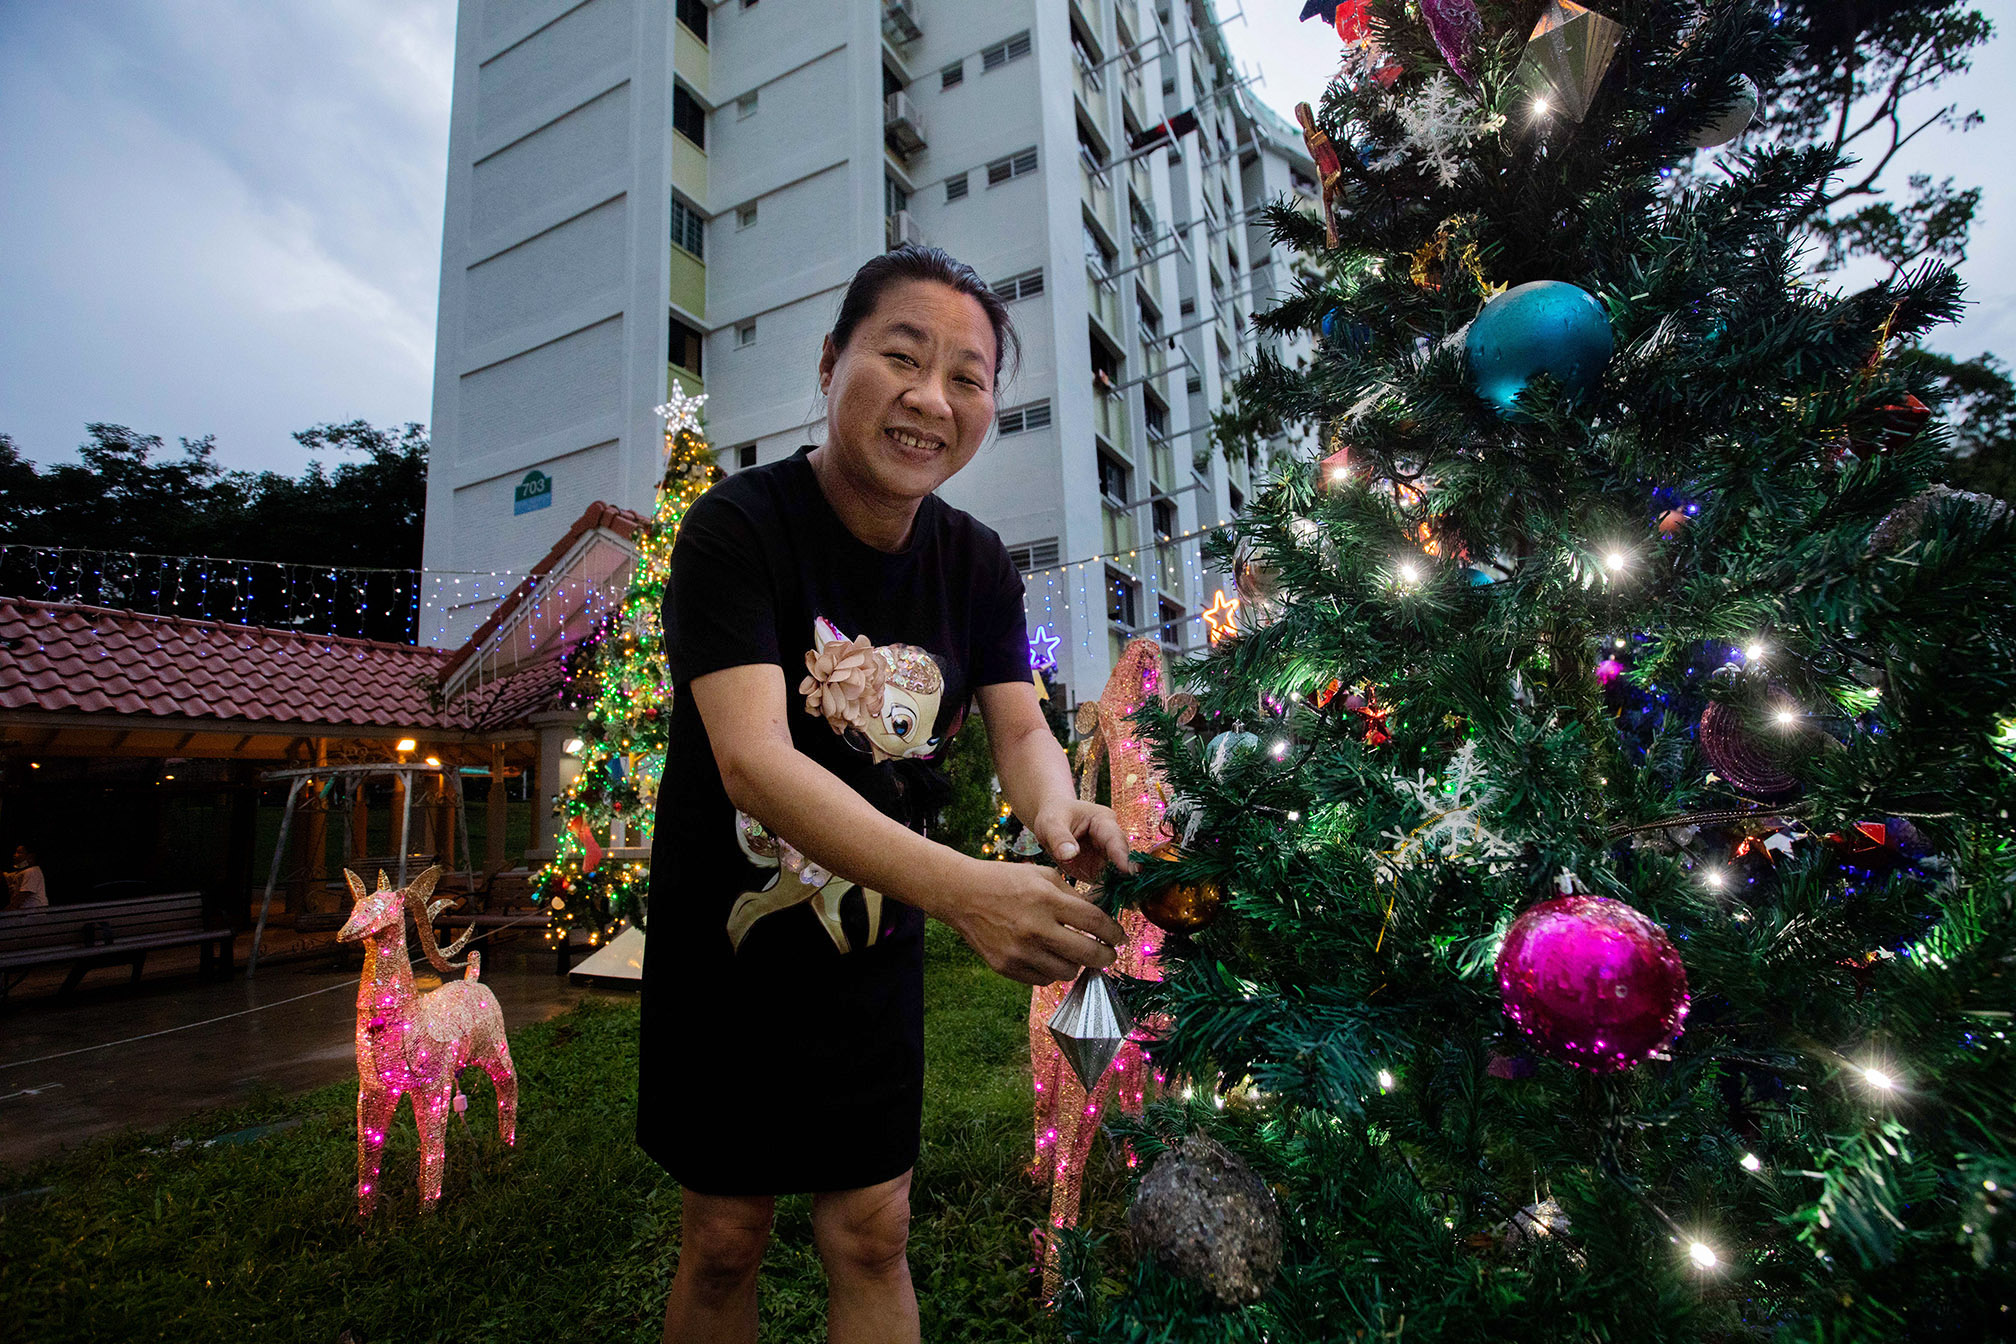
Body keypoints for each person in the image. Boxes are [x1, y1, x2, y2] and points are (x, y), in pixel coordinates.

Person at [639, 245, 1137, 1344]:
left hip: (870, 946)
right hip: (728, 944)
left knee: (873, 1231)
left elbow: (1020, 726)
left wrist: (1055, 811)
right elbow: (754, 762)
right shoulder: (737, 530)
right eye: (902, 358)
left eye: (968, 377)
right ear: (831, 364)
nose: (931, 399)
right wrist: (966, 891)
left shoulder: (976, 564)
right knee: (724, 1236)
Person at [5, 844, 48, 909]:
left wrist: (9, 910)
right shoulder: (19, 873)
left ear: (30, 856)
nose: (15, 855)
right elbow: (6, 876)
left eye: (19, 853)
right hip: (25, 912)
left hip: (33, 912)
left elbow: (23, 895)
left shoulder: (32, 871)